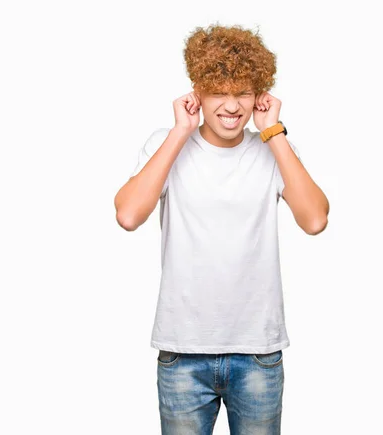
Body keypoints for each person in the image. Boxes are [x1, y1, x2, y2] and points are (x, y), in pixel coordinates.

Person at [114, 23, 330, 435]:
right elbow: (128, 215)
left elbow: (315, 220)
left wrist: (273, 132)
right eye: (219, 91)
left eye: (243, 93)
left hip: (258, 354)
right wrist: (180, 131)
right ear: (198, 90)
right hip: (183, 353)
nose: (232, 106)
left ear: (259, 95)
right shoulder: (167, 143)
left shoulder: (273, 149)